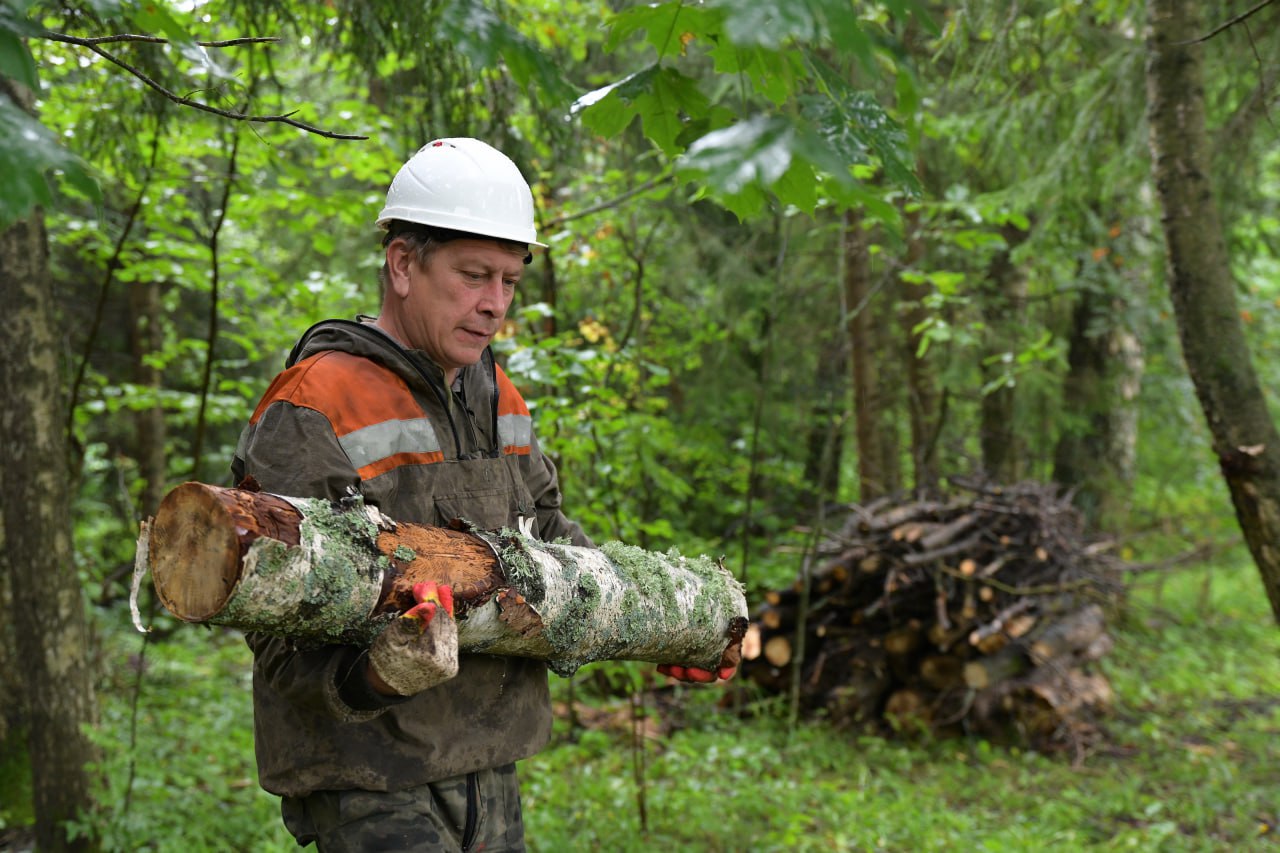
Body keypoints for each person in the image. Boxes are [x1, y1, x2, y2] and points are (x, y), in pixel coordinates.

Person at [232, 138, 730, 851]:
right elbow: (271, 606)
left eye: (509, 282)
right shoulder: (318, 400)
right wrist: (373, 674)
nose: (494, 304)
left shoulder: (500, 398)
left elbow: (552, 538)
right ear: (404, 263)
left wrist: (662, 625)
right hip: (370, 777)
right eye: (473, 276)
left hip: (490, 766)